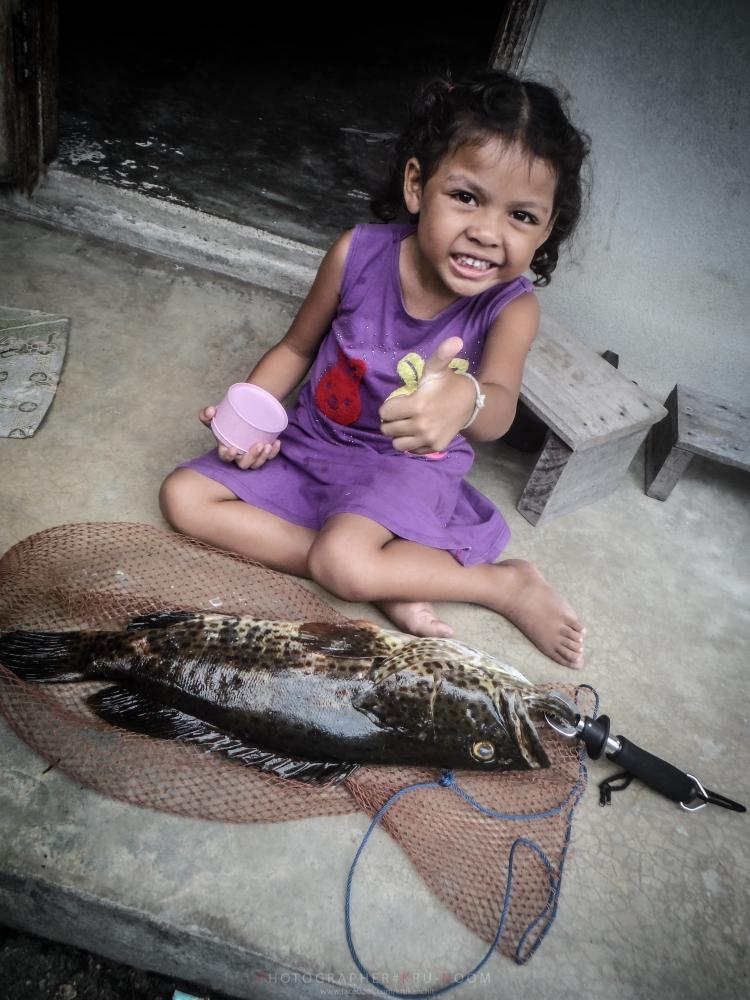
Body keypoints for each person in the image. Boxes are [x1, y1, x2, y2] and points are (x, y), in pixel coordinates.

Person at [160, 68, 591, 668]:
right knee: (184, 498)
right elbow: (296, 349)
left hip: (406, 466)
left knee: (342, 565)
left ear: (546, 229)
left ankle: (502, 583)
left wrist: (464, 400)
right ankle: (390, 574)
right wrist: (252, 416)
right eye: (466, 197)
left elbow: (499, 409)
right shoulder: (356, 254)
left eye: (522, 216)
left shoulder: (511, 306)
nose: (488, 233)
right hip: (315, 438)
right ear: (417, 185)